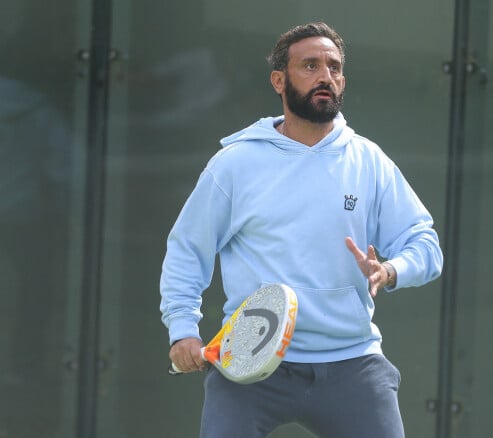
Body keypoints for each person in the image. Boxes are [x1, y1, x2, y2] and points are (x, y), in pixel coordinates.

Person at [160, 22, 443, 438]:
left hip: (353, 362)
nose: (325, 75)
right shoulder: (235, 164)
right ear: (279, 81)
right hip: (248, 362)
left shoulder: (369, 161)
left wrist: (391, 270)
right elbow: (188, 250)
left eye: (334, 67)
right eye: (310, 65)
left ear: (342, 81)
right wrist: (182, 329)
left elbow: (426, 244)